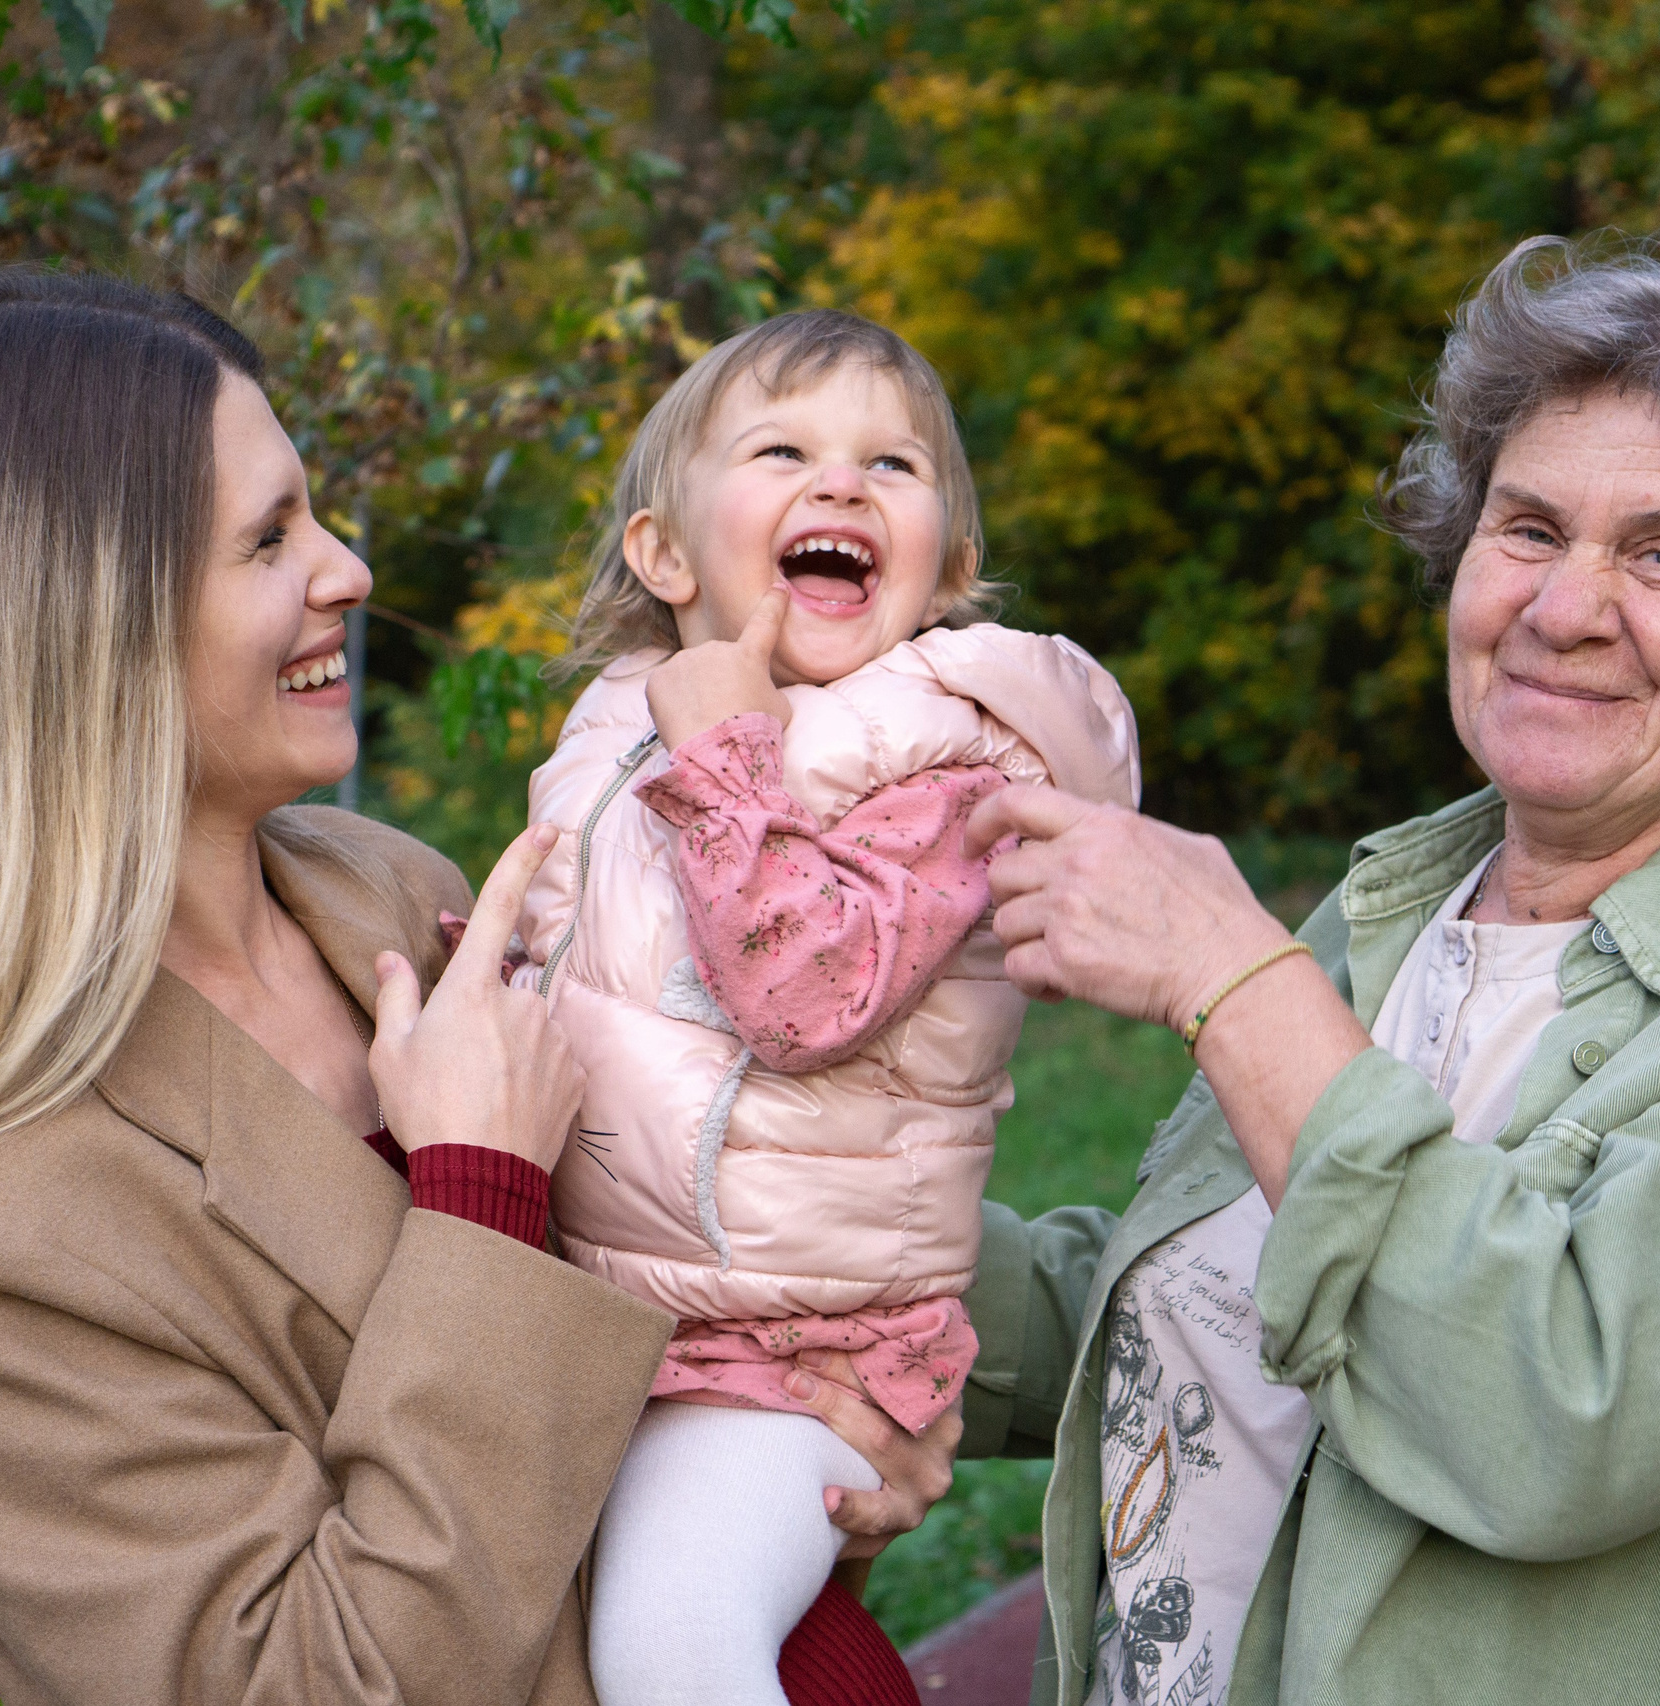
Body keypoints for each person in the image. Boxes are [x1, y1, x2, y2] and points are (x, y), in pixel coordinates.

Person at [0, 270, 953, 1705]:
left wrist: (824, 1419)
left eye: (316, 513)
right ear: (72, 634)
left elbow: (702, 1232)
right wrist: (476, 1188)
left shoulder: (388, 890)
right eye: (269, 538)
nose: (347, 570)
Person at [955, 237, 1660, 1706]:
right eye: (1527, 528)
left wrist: (1235, 978)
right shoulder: (1408, 900)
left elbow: (1560, 1405)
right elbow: (1237, 1303)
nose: (1564, 604)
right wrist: (774, 1251)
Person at [516, 309, 1138, 1706]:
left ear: (952, 571)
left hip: (798, 1352)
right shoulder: (622, 724)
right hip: (621, 1315)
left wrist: (728, 753)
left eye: (893, 465)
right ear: (664, 554)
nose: (843, 484)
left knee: (673, 1648)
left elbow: (808, 994)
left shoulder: (937, 763)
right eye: (785, 449)